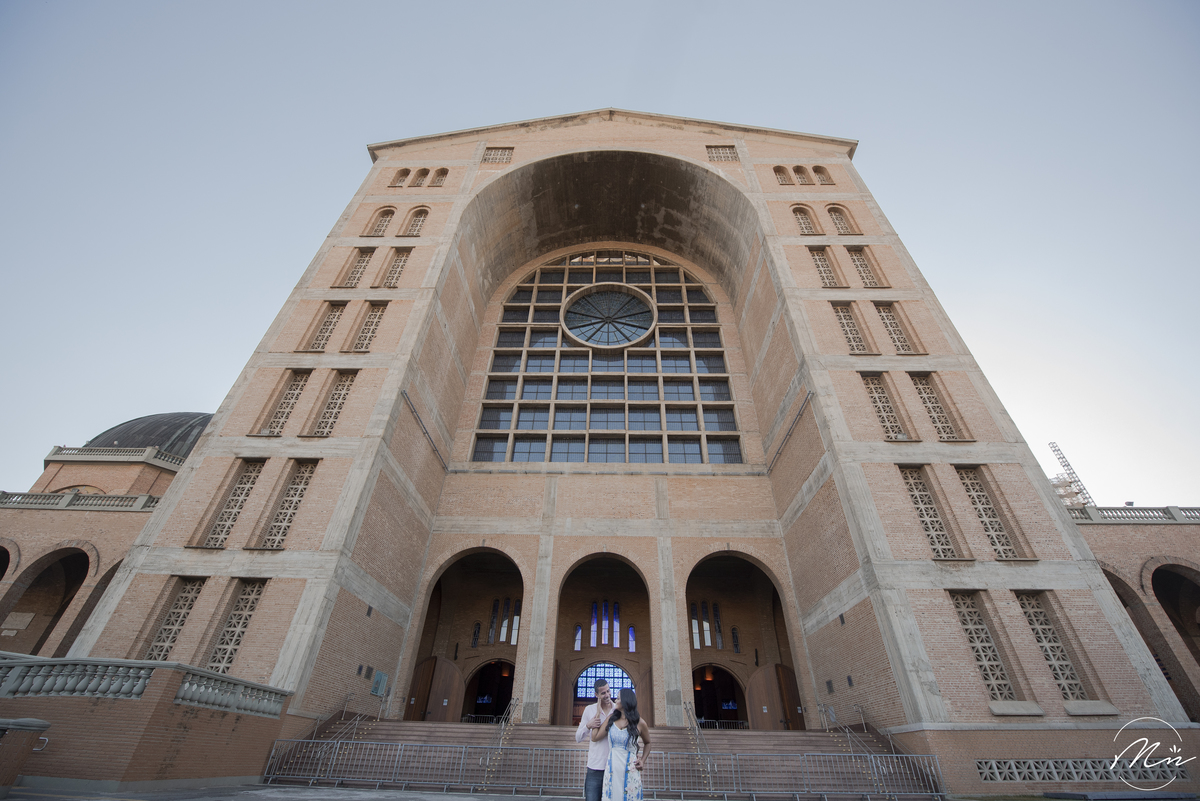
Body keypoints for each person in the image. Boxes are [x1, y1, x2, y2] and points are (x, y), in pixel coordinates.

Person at [590, 688, 651, 801]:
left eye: (618, 698)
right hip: (612, 769)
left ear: (625, 701)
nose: (615, 700)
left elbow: (648, 743)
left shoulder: (640, 723)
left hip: (630, 770)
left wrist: (642, 760)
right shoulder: (611, 719)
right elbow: (595, 737)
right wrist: (597, 714)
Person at [575, 678, 614, 801]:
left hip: (614, 766)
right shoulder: (589, 710)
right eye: (603, 693)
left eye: (608, 691)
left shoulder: (617, 709)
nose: (607, 695)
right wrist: (588, 726)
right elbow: (578, 738)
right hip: (595, 767)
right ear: (596, 695)